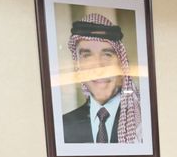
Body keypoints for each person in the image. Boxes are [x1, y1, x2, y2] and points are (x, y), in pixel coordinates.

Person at [60, 12, 142, 145]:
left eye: (107, 54)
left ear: (121, 64)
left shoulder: (142, 123)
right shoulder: (64, 126)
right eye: (87, 56)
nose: (98, 67)